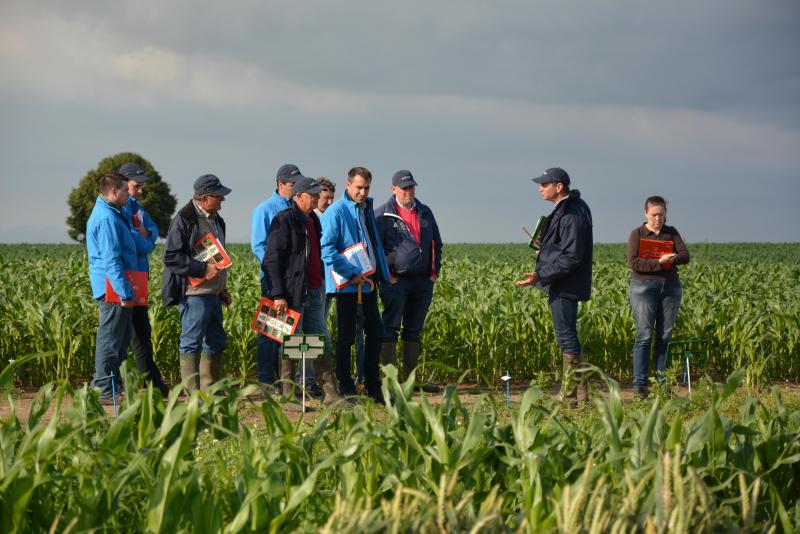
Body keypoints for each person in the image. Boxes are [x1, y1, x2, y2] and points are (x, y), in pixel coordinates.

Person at [263, 177, 344, 406]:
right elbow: (271, 261)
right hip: (292, 293)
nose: (318, 198)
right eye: (314, 194)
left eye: (319, 194)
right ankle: (288, 395)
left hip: (315, 290)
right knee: (291, 341)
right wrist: (278, 294)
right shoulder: (284, 220)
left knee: (318, 339)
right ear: (299, 196)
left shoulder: (313, 221)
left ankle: (330, 394)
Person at [515, 167, 593, 404]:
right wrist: (545, 249)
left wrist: (539, 275)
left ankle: (568, 395)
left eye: (544, 184)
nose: (540, 188)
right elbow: (564, 247)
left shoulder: (572, 214)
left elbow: (571, 257)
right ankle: (581, 393)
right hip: (563, 281)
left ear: (559, 187)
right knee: (569, 336)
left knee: (566, 337)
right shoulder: (570, 208)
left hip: (565, 284)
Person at [320, 166, 391, 402]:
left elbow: (373, 244)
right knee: (346, 336)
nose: (362, 192)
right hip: (347, 284)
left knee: (375, 332)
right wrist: (351, 273)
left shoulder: (366, 209)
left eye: (366, 187)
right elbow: (327, 249)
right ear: (348, 185)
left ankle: (372, 384)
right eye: (358, 187)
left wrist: (381, 272)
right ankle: (346, 384)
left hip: (368, 281)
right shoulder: (337, 211)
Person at [162, 174, 233, 392]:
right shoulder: (184, 219)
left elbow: (217, 257)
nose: (222, 200)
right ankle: (192, 391)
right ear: (203, 197)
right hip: (194, 293)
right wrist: (202, 269)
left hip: (213, 292)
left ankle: (209, 388)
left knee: (216, 340)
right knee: (192, 341)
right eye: (218, 196)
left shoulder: (216, 220)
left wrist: (223, 289)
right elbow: (171, 256)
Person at [375, 170, 443, 392]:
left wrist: (434, 271)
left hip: (422, 282)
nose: (408, 192)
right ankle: (390, 381)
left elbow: (437, 243)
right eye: (404, 188)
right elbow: (375, 250)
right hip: (395, 282)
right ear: (393, 189)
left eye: (411, 187)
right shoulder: (382, 215)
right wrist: (387, 275)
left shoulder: (424, 212)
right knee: (390, 328)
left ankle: (412, 381)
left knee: (413, 330)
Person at [627, 195, 690, 398]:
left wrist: (673, 257)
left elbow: (685, 255)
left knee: (665, 337)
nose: (657, 218)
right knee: (644, 336)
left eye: (661, 214)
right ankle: (640, 386)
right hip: (643, 287)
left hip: (670, 287)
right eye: (654, 214)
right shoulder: (637, 234)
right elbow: (634, 263)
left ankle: (663, 385)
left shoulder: (671, 233)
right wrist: (659, 263)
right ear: (646, 213)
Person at [86, 172, 138, 403]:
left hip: (115, 286)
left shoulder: (112, 213)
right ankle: (105, 390)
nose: (129, 194)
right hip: (113, 288)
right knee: (110, 339)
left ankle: (109, 385)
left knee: (119, 337)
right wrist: (124, 292)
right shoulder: (107, 218)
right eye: (126, 190)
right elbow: (112, 260)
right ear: (114, 191)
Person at [118, 162, 169, 396]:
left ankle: (151, 383)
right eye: (136, 186)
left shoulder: (137, 207)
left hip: (139, 277)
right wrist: (147, 241)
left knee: (142, 333)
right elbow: (136, 241)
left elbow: (154, 229)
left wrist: (147, 235)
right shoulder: (120, 209)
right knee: (125, 336)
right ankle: (139, 384)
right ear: (122, 184)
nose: (140, 190)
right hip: (126, 279)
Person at [251, 164, 301, 394]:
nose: (296, 187)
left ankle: (285, 383)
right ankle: (266, 381)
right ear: (281, 184)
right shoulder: (265, 209)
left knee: (288, 333)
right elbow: (259, 246)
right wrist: (277, 272)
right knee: (270, 332)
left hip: (294, 281)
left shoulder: (296, 208)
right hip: (273, 279)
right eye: (292, 184)